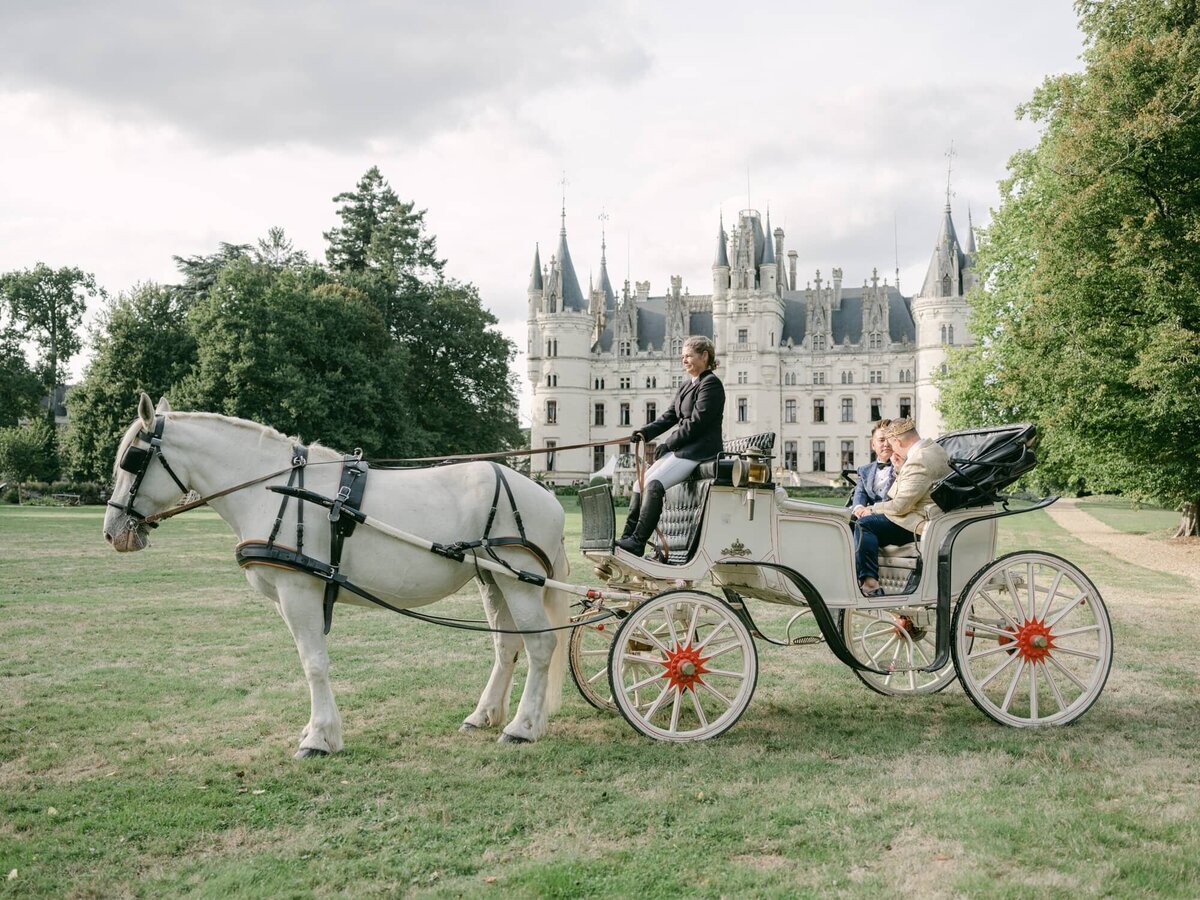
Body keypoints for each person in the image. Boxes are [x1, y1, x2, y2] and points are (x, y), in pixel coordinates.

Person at [617, 335, 725, 557]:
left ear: (704, 356)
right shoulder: (687, 385)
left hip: (699, 452)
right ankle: (627, 537)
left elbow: (697, 423)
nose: (684, 361)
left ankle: (638, 542)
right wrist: (644, 432)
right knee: (640, 485)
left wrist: (668, 443)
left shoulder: (711, 384)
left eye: (689, 356)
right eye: (683, 356)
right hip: (684, 450)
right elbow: (669, 416)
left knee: (654, 484)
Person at [850, 417, 951, 596]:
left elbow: (899, 506)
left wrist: (871, 509)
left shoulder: (919, 460)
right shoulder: (932, 449)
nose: (890, 449)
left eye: (891, 444)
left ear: (897, 441)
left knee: (863, 524)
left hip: (918, 523)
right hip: (923, 515)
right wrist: (899, 468)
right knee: (860, 523)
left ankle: (870, 583)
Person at [851, 419, 895, 508]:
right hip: (869, 515)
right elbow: (860, 494)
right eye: (881, 440)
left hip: (893, 515)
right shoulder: (864, 470)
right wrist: (858, 508)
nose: (886, 444)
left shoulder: (904, 467)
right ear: (873, 445)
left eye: (890, 439)